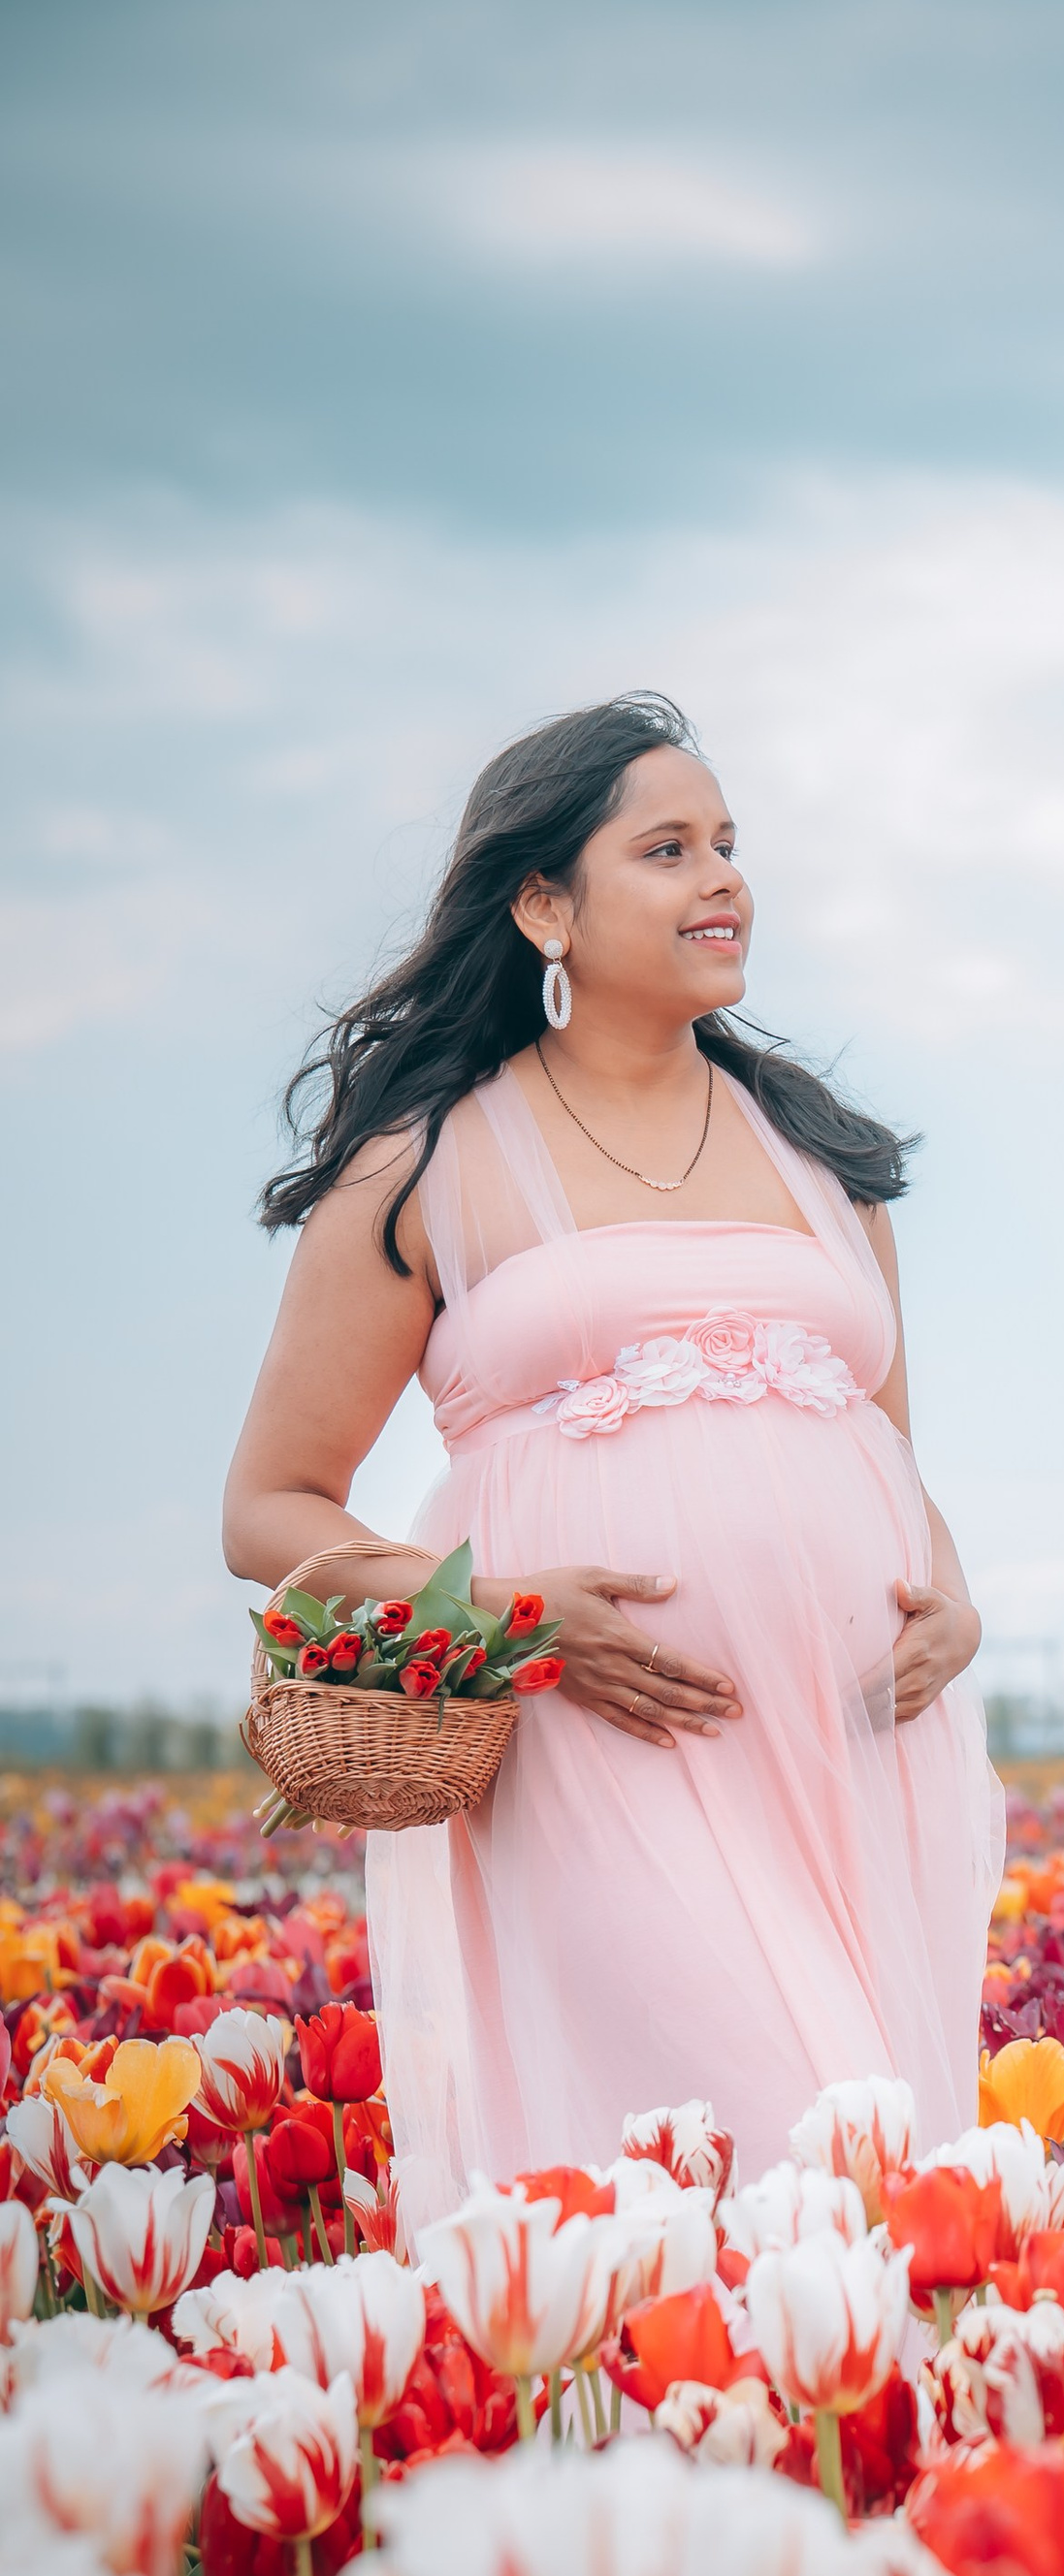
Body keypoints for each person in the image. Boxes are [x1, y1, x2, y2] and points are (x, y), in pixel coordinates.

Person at [225, 692, 1001, 2230]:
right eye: (666, 849)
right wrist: (506, 1610)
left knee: (882, 2180)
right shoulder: (427, 1162)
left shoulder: (823, 1155)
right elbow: (268, 1506)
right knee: (765, 2162)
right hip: (603, 1749)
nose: (723, 880)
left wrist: (955, 1601)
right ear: (543, 904)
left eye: (728, 845)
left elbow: (891, 1460)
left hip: (857, 1753)